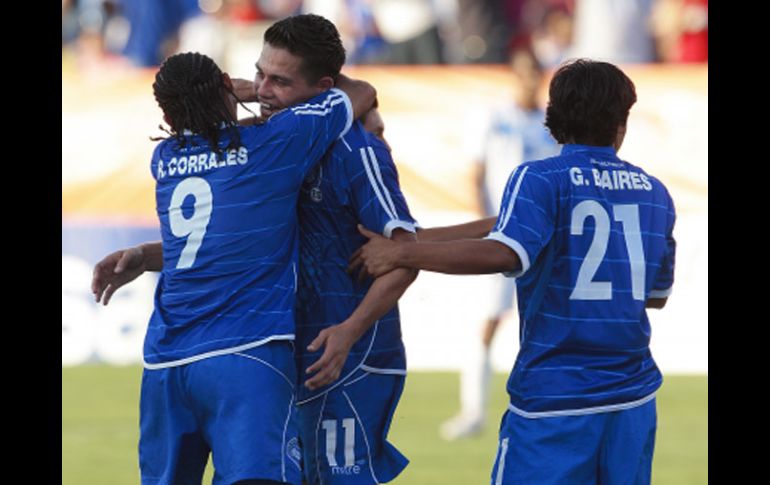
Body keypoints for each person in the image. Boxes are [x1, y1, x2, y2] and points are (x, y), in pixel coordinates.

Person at [92, 14, 421, 485]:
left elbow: (222, 236)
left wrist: (146, 256)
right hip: (247, 354)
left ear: (167, 117)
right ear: (229, 86)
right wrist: (249, 93)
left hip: (166, 358)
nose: (263, 89)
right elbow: (361, 91)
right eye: (258, 77)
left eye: (276, 80)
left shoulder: (164, 157)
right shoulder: (275, 144)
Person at [349, 58, 676, 484]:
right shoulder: (655, 193)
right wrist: (413, 243)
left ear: (554, 118)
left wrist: (402, 255)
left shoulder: (540, 178)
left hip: (556, 399)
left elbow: (504, 253)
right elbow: (656, 296)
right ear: (621, 123)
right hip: (633, 401)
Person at [441, 45, 561, 441]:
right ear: (514, 75)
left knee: (545, 321)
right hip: (504, 235)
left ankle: (547, 405)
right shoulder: (494, 117)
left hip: (543, 239)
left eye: (535, 74)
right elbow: (476, 174)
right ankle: (473, 410)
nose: (529, 82)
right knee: (490, 319)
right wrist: (485, 227)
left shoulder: (551, 124)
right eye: (524, 74)